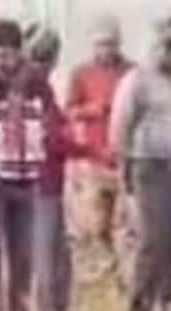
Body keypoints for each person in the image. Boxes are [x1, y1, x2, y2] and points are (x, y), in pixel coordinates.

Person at [0, 19, 73, 311]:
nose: (3, 63)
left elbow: (50, 126)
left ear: (20, 54)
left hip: (27, 183)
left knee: (23, 262)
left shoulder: (36, 87)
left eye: (9, 56)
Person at [111, 17, 171, 311]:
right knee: (154, 241)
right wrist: (124, 172)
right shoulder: (137, 81)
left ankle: (167, 304)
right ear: (156, 46)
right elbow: (121, 128)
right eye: (168, 46)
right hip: (150, 168)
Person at [65, 15, 133, 270]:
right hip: (95, 159)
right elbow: (68, 112)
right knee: (98, 223)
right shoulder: (80, 74)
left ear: (119, 44)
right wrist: (93, 109)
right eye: (101, 44)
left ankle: (127, 270)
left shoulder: (131, 72)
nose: (106, 49)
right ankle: (109, 260)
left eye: (111, 43)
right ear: (92, 46)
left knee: (128, 222)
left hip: (126, 158)